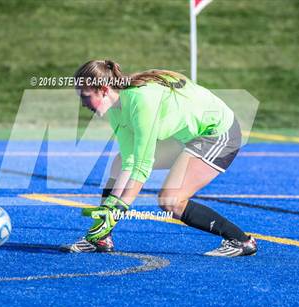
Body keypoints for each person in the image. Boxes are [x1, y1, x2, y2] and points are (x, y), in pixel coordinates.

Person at [61, 59, 257, 257]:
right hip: (187, 136)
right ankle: (100, 237)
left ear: (103, 89)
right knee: (119, 163)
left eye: (85, 97)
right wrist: (110, 206)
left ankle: (240, 240)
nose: (83, 104)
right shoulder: (116, 109)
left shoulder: (140, 101)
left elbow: (142, 165)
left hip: (217, 133)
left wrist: (119, 208)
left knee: (170, 200)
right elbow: (129, 160)